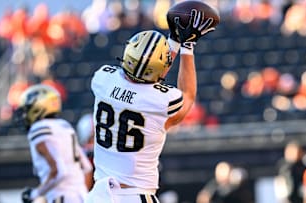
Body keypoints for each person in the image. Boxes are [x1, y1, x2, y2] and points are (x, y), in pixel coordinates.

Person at [85, 8, 216, 203]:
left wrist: (173, 40)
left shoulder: (103, 78)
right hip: (135, 195)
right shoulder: (160, 101)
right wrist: (187, 46)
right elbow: (187, 96)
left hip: (99, 195)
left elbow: (149, 74)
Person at [14, 84, 93, 203]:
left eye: (28, 109)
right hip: (82, 195)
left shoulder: (38, 129)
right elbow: (87, 167)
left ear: (38, 108)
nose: (25, 115)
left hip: (61, 196)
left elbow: (58, 172)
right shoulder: (64, 125)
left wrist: (34, 194)